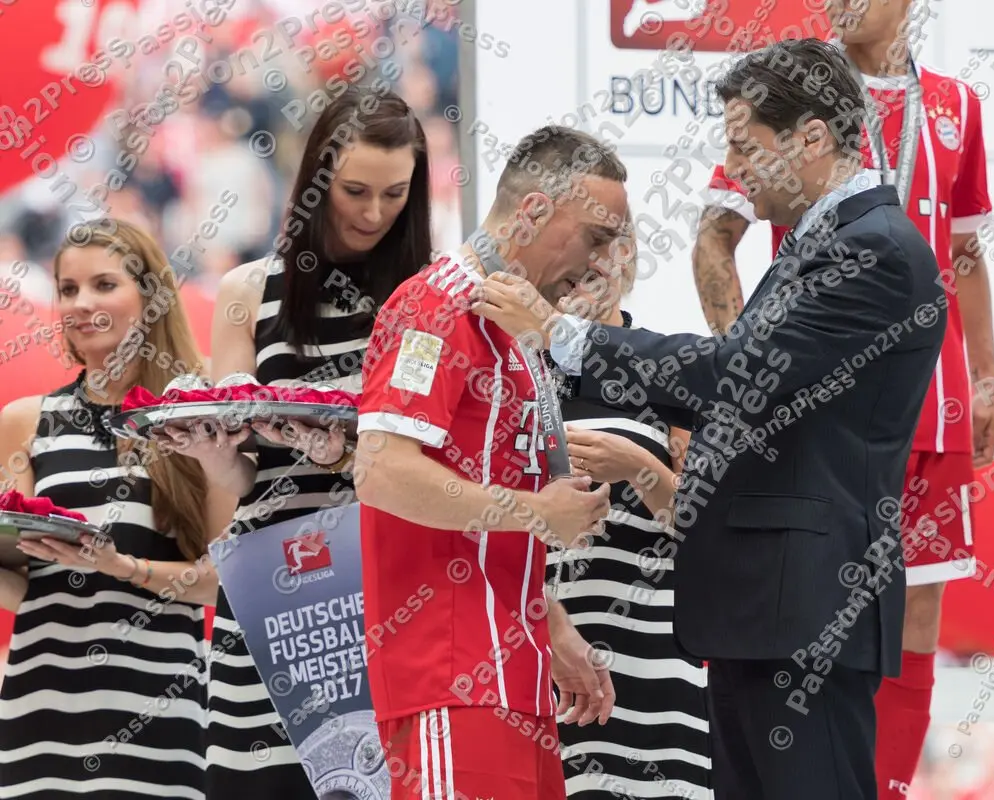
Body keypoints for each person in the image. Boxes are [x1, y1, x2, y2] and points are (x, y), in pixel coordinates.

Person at [474, 39, 948, 800]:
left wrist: (563, 336)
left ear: (813, 139)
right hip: (766, 610)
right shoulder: (823, 247)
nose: (732, 168)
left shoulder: (874, 251)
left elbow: (735, 377)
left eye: (742, 144)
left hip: (804, 610)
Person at [695, 4, 994, 796]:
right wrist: (742, 371)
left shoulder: (955, 102)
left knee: (912, 614)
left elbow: (963, 253)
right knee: (818, 611)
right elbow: (712, 238)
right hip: (816, 394)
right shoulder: (791, 97)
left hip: (931, 394)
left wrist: (989, 374)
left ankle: (887, 785)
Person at [169, 86, 433, 800]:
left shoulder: (430, 296)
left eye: (394, 193)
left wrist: (344, 455)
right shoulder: (245, 291)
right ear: (316, 178)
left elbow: (443, 458)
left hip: (384, 587)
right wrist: (210, 448)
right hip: (267, 586)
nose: (374, 214)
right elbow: (237, 476)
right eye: (353, 190)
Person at [354, 125, 623, 800]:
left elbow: (476, 511)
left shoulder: (513, 326)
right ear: (532, 210)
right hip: (450, 675)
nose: (600, 263)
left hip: (514, 675)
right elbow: (381, 471)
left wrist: (549, 618)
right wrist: (542, 511)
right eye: (593, 237)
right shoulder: (437, 303)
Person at [0, 217, 228, 797]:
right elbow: (27, 586)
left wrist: (126, 569)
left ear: (148, 297)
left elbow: (224, 583)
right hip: (41, 709)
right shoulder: (25, 422)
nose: (81, 304)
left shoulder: (200, 414)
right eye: (69, 289)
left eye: (103, 285)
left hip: (160, 715)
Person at [544, 238, 709, 799]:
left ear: (630, 255)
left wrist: (640, 468)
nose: (588, 263)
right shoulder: (515, 370)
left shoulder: (668, 367)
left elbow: (709, 533)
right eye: (577, 245)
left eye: (604, 245)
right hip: (544, 645)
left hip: (655, 654)